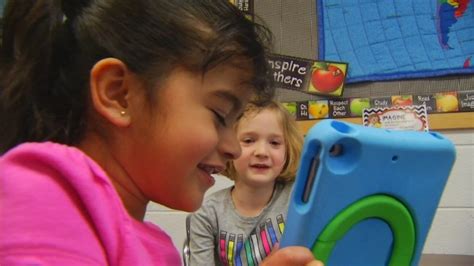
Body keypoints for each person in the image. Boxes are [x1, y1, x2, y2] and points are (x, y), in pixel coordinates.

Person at [0, 0, 322, 265]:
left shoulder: (157, 249)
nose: (233, 148)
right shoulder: (45, 192)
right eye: (220, 115)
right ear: (119, 94)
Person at [189, 100, 304, 265]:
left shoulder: (298, 197)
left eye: (274, 143)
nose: (262, 152)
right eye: (249, 141)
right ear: (227, 148)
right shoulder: (207, 215)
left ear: (288, 149)